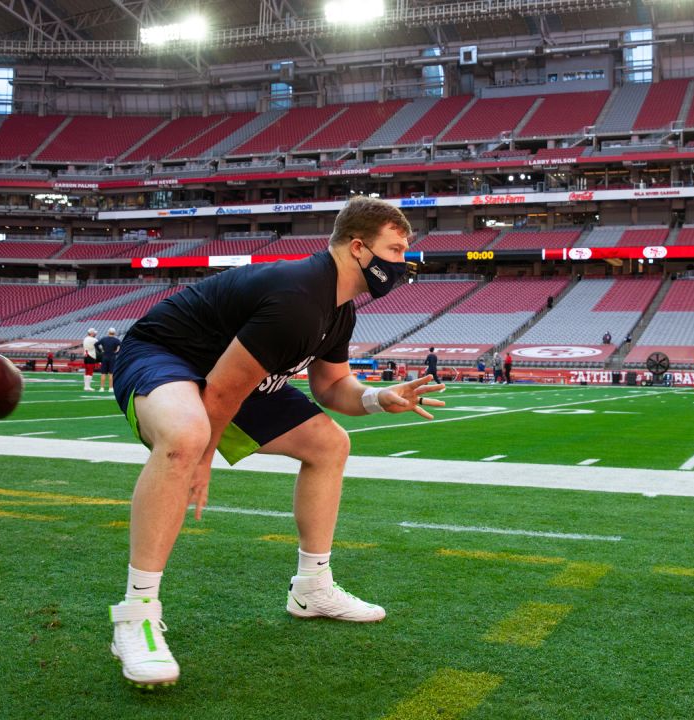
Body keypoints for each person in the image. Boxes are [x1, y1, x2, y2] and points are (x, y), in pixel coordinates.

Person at [104, 196, 446, 689]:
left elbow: (331, 388)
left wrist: (377, 398)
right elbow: (220, 390)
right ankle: (136, 615)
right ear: (358, 249)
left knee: (329, 444)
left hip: (223, 374)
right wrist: (200, 460)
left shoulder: (336, 309)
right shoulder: (298, 299)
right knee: (186, 436)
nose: (402, 262)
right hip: (166, 356)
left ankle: (313, 587)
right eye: (394, 249)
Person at [96, 328, 121, 392]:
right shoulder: (116, 340)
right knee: (111, 373)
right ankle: (110, 388)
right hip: (112, 357)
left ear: (108, 332)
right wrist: (117, 352)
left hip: (105, 357)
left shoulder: (104, 339)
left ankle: (102, 388)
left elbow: (96, 344)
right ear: (114, 333)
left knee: (103, 373)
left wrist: (100, 351)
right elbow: (121, 346)